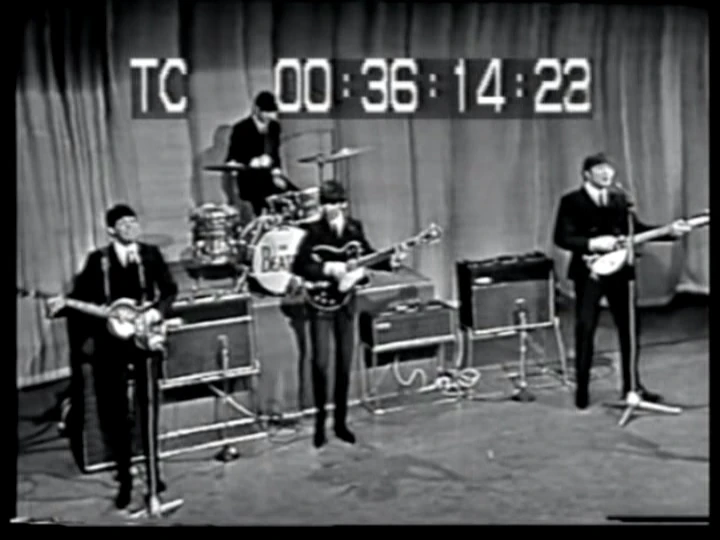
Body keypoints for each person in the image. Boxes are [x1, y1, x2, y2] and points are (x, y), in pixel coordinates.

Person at [46, 204, 178, 509]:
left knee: (148, 407)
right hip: (111, 346)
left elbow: (170, 290)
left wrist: (156, 313)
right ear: (111, 230)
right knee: (116, 411)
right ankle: (125, 476)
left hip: (145, 341)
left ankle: (153, 473)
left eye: (134, 221)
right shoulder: (99, 261)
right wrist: (62, 306)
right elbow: (80, 299)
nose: (132, 227)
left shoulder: (150, 255)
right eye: (124, 223)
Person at [553, 153, 691, 410]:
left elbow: (635, 231)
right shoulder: (572, 201)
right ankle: (582, 389)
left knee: (629, 329)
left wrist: (669, 232)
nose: (607, 173)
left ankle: (632, 386)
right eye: (600, 169)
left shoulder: (619, 200)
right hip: (590, 273)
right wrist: (593, 243)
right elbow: (562, 237)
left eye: (609, 169)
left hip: (621, 273)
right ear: (587, 174)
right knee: (586, 328)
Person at [291, 181, 406, 448]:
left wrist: (391, 261)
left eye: (333, 203)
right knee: (320, 363)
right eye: (324, 203)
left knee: (344, 363)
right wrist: (329, 269)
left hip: (346, 303)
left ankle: (341, 423)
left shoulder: (354, 228)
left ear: (343, 204)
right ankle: (320, 424)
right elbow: (301, 265)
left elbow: (368, 255)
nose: (328, 208)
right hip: (320, 303)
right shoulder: (310, 230)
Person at [225, 91, 296, 217]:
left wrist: (277, 171)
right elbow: (232, 157)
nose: (269, 116)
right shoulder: (241, 128)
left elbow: (275, 154)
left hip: (270, 177)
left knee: (295, 195)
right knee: (266, 203)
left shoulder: (274, 127)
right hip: (250, 180)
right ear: (257, 110)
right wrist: (251, 161)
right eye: (266, 112)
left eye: (272, 112)